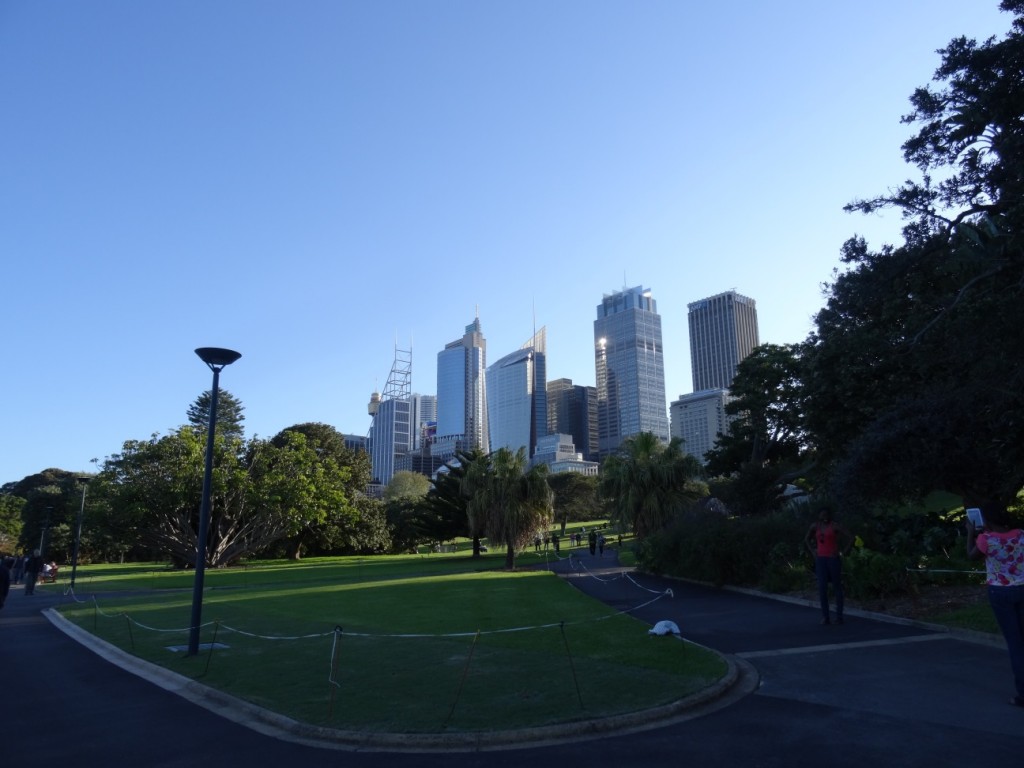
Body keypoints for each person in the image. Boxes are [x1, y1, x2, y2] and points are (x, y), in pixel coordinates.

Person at [966, 503, 1024, 708]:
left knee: (1016, 644)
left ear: (986, 520)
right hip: (1022, 587)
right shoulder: (1020, 534)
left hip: (1000, 591)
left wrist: (970, 534)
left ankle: (1023, 694)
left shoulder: (986, 539)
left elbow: (971, 556)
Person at [805, 507, 852, 625]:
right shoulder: (815, 526)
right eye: (822, 515)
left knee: (837, 587)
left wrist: (843, 552)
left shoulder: (835, 526)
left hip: (832, 559)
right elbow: (806, 539)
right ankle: (826, 617)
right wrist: (813, 551)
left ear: (829, 516)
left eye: (826, 515)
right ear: (819, 516)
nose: (824, 517)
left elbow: (851, 537)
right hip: (820, 559)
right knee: (822, 588)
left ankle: (839, 616)